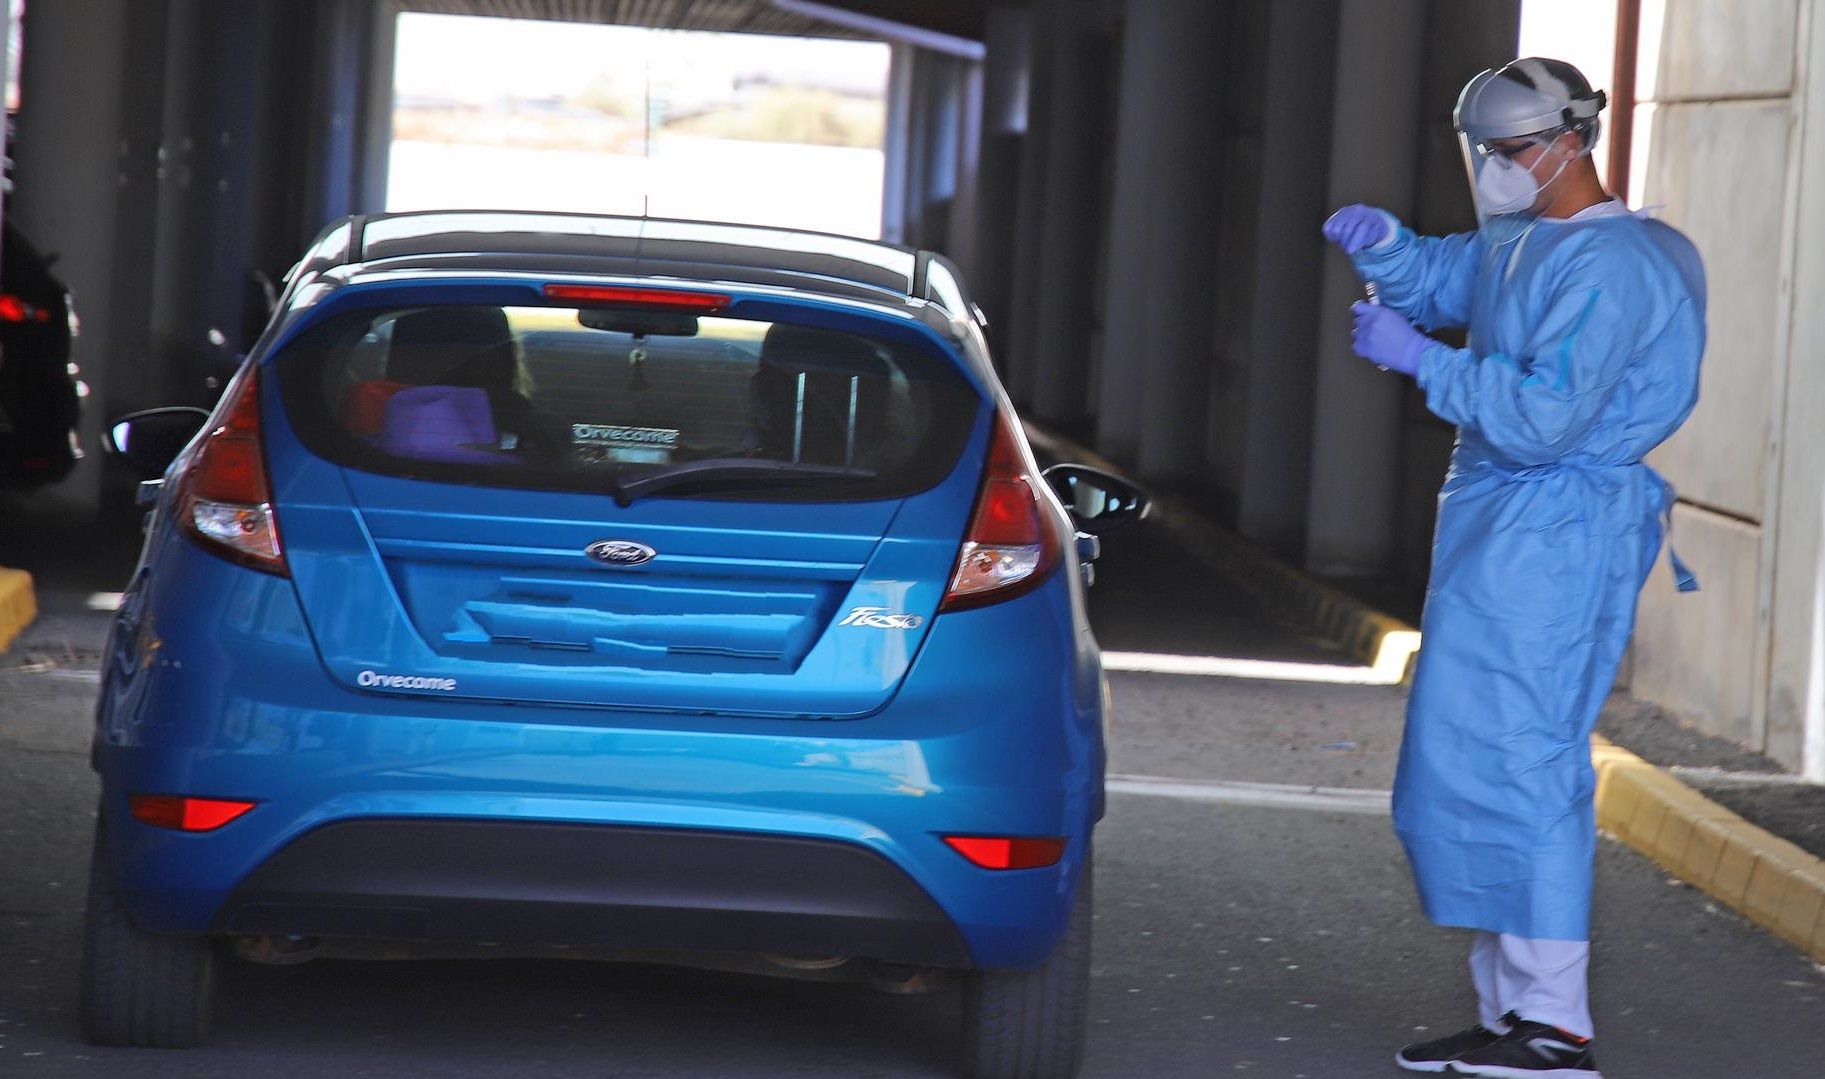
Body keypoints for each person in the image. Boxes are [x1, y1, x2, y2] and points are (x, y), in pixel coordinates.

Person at [1321, 57, 1705, 1077]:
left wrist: (1422, 360)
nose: (1491, 168)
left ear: (1569, 141)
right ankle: (1508, 1018)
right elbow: (1454, 276)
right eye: (1481, 152)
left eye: (1506, 150)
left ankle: (1555, 1022)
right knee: (1475, 757)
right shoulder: (1523, 239)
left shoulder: (1619, 264)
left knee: (1526, 756)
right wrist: (1392, 252)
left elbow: (1542, 418)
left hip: (1558, 527)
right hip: (1507, 526)